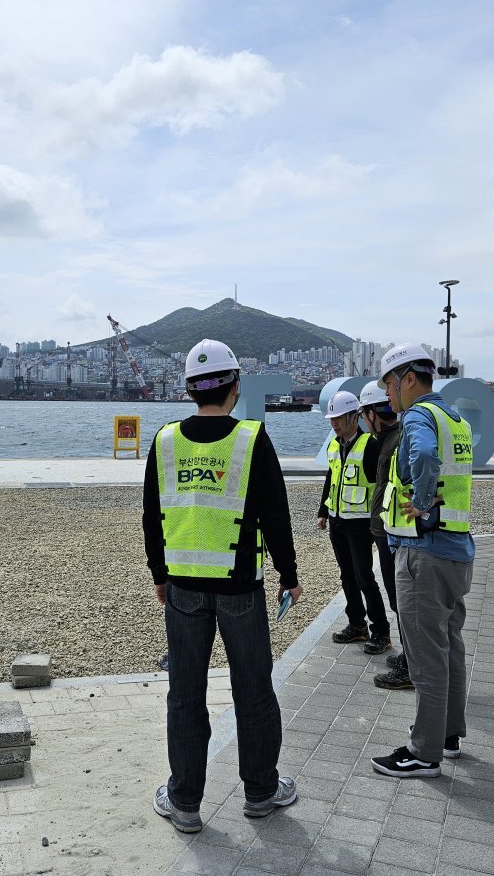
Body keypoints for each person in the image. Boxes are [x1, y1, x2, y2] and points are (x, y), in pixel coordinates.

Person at [144, 338, 301, 832]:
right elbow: (276, 514)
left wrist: (160, 574)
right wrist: (289, 574)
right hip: (240, 589)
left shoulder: (166, 440)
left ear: (191, 389)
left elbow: (152, 515)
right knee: (253, 691)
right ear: (235, 386)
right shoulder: (253, 438)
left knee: (185, 694)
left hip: (184, 588)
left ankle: (185, 802)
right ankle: (260, 793)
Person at [372, 343, 475, 778]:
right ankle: (448, 735)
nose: (388, 396)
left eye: (389, 384)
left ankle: (423, 751)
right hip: (456, 549)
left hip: (424, 553)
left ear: (408, 379)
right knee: (449, 646)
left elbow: (426, 458)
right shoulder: (456, 419)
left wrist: (421, 502)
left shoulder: (418, 415)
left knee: (424, 655)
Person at [316, 389, 391, 655]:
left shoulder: (370, 445)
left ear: (353, 416)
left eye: (339, 417)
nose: (334, 422)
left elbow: (382, 484)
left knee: (364, 578)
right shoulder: (334, 444)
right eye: (331, 418)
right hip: (337, 520)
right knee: (347, 576)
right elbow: (331, 476)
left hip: (360, 524)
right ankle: (357, 624)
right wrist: (323, 511)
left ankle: (380, 631)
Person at [358, 382, 410, 686]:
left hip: (394, 532)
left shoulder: (392, 443)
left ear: (371, 414)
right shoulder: (390, 439)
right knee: (398, 598)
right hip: (388, 530)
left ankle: (411, 665)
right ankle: (408, 655)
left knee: (400, 599)